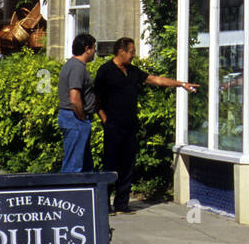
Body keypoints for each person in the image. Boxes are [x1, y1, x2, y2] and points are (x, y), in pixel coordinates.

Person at [94, 37, 198, 214]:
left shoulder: (133, 71)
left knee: (128, 165)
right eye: (132, 52)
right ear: (122, 52)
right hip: (113, 126)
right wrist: (104, 119)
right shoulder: (106, 71)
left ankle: (122, 204)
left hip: (130, 126)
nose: (134, 55)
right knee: (110, 165)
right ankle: (105, 204)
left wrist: (181, 84)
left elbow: (156, 80)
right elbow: (95, 98)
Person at [58, 34, 97, 173]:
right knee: (74, 165)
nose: (94, 53)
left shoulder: (72, 65)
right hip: (74, 118)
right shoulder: (77, 67)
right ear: (87, 49)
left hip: (73, 118)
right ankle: (69, 192)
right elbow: (74, 97)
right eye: (94, 49)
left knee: (85, 164)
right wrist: (81, 117)